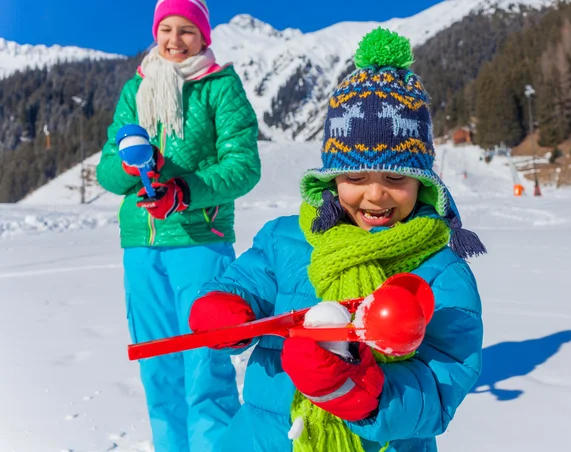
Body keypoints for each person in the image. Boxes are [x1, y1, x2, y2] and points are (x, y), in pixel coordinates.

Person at [188, 28, 484, 452]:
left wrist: (359, 392)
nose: (375, 194)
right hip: (263, 438)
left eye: (396, 178)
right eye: (356, 177)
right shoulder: (286, 239)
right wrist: (226, 307)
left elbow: (444, 381)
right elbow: (243, 284)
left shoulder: (440, 272)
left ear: (424, 183)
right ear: (331, 179)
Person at [96, 0, 260, 450]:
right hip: (142, 247)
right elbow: (107, 169)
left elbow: (243, 167)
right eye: (165, 28)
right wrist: (130, 169)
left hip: (200, 240)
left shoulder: (220, 87)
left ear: (204, 36)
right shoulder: (136, 89)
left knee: (206, 364)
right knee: (157, 365)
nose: (174, 39)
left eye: (186, 29)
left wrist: (182, 192)